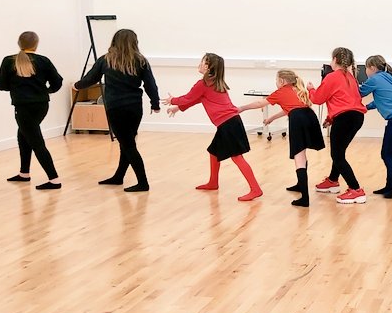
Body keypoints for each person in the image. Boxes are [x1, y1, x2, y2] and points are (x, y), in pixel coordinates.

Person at [162, 53, 262, 202]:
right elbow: (196, 99)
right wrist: (178, 108)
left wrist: (173, 100)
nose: (200, 63)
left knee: (237, 157)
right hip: (231, 122)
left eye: (202, 61)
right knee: (214, 152)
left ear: (207, 66)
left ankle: (256, 189)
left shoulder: (203, 84)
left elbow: (188, 97)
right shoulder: (213, 83)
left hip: (228, 124)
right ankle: (213, 182)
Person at [74, 28, 159, 192]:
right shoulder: (140, 61)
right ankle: (119, 176)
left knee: (128, 144)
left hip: (116, 107)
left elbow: (90, 79)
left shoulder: (106, 60)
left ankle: (143, 182)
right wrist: (154, 103)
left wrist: (77, 86)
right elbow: (150, 85)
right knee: (127, 142)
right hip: (134, 108)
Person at [237, 69, 324, 207]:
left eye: (276, 80)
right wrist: (271, 118)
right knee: (303, 153)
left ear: (282, 81)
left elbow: (260, 103)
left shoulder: (280, 92)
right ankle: (300, 185)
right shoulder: (298, 89)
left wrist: (242, 108)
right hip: (310, 117)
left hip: (298, 120)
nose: (276, 83)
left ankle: (305, 198)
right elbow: (288, 109)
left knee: (299, 156)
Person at [0, 31, 63, 190]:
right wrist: (46, 92)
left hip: (23, 107)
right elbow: (57, 82)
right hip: (42, 106)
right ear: (36, 44)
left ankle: (54, 179)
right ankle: (24, 173)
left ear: (19, 43)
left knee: (36, 141)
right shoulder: (44, 61)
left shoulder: (9, 61)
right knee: (23, 135)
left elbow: (3, 85)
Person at [308, 47, 368, 204]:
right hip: (356, 117)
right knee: (339, 151)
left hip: (345, 118)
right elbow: (343, 100)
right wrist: (330, 117)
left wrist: (310, 89)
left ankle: (356, 190)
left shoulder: (332, 77)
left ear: (335, 59)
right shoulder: (351, 77)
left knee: (337, 155)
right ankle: (333, 180)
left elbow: (318, 99)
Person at [360, 55, 392, 199]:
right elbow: (384, 98)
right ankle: (391, 185)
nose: (365, 71)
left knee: (387, 154)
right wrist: (367, 107)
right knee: (389, 154)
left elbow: (359, 93)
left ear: (372, 68)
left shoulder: (374, 79)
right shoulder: (390, 78)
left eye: (366, 68)